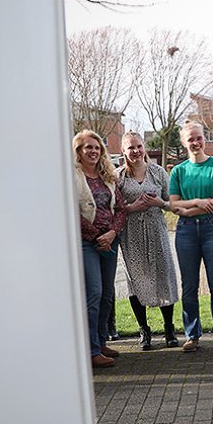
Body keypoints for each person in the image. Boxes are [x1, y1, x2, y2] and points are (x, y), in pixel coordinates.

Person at [169, 121, 213, 353]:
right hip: (185, 232)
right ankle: (192, 335)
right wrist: (196, 203)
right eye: (190, 139)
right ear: (184, 143)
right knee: (189, 286)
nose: (195, 143)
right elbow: (173, 205)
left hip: (212, 228)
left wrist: (187, 210)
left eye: (198, 138)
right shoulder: (178, 171)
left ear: (204, 139)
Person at [116, 132, 180, 350]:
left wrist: (159, 202)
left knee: (163, 276)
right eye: (130, 148)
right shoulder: (118, 177)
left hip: (156, 231)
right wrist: (132, 208)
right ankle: (144, 329)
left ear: (144, 148)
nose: (136, 151)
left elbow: (173, 204)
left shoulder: (158, 172)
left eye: (139, 146)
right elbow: (112, 209)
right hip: (131, 234)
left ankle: (169, 328)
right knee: (136, 280)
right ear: (123, 151)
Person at [74, 129, 127, 369]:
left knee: (108, 293)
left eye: (97, 148)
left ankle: (101, 341)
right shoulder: (72, 178)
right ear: (79, 151)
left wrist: (113, 233)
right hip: (87, 243)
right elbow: (72, 212)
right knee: (93, 293)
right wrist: (98, 236)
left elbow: (121, 209)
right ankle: (91, 350)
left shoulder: (108, 176)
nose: (93, 152)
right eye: (88, 147)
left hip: (110, 241)